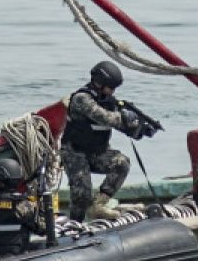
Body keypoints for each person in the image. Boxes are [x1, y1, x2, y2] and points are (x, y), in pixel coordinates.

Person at [59, 61, 155, 222]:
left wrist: (139, 129)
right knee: (81, 193)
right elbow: (105, 118)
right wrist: (125, 118)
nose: (113, 91)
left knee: (121, 163)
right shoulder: (82, 99)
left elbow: (122, 124)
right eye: (111, 87)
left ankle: (98, 205)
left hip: (97, 152)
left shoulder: (108, 101)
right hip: (74, 152)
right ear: (100, 83)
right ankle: (75, 224)